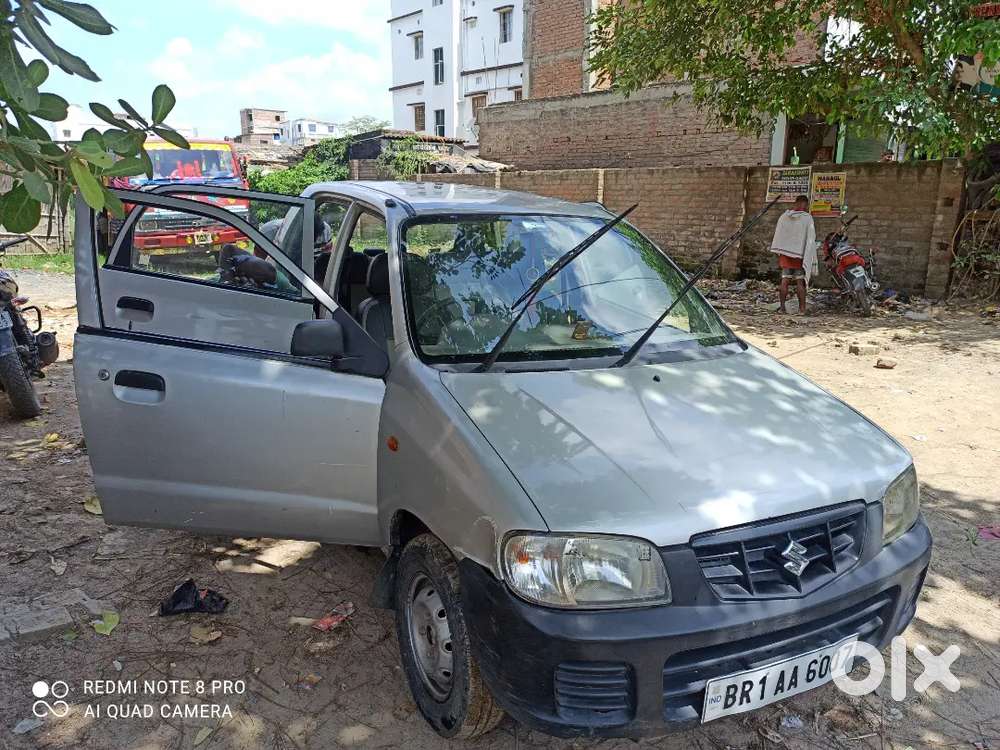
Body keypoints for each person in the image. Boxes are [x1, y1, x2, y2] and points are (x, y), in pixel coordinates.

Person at [770, 195, 818, 314]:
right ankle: (802, 309)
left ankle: (782, 308)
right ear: (805, 205)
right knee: (800, 282)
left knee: (784, 281)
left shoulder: (784, 217)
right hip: (799, 256)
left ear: (795, 203)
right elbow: (811, 238)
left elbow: (779, 235)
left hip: (785, 255)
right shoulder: (807, 218)